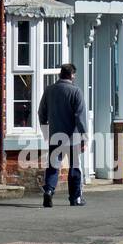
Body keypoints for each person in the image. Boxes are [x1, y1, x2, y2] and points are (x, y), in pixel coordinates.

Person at [37, 61, 87, 207]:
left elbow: (41, 113)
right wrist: (84, 137)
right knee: (74, 166)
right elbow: (80, 117)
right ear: (72, 75)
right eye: (74, 74)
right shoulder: (75, 91)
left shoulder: (50, 90)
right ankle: (75, 198)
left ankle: (49, 191)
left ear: (60, 74)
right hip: (73, 137)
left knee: (53, 165)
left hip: (55, 135)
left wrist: (46, 131)